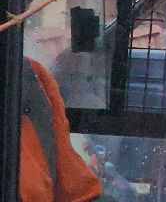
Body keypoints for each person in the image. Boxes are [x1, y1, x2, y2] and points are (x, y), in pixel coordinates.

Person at [20, 57, 104, 202]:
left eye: (85, 77)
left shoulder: (32, 77)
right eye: (72, 76)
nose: (79, 83)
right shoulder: (29, 75)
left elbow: (73, 185)